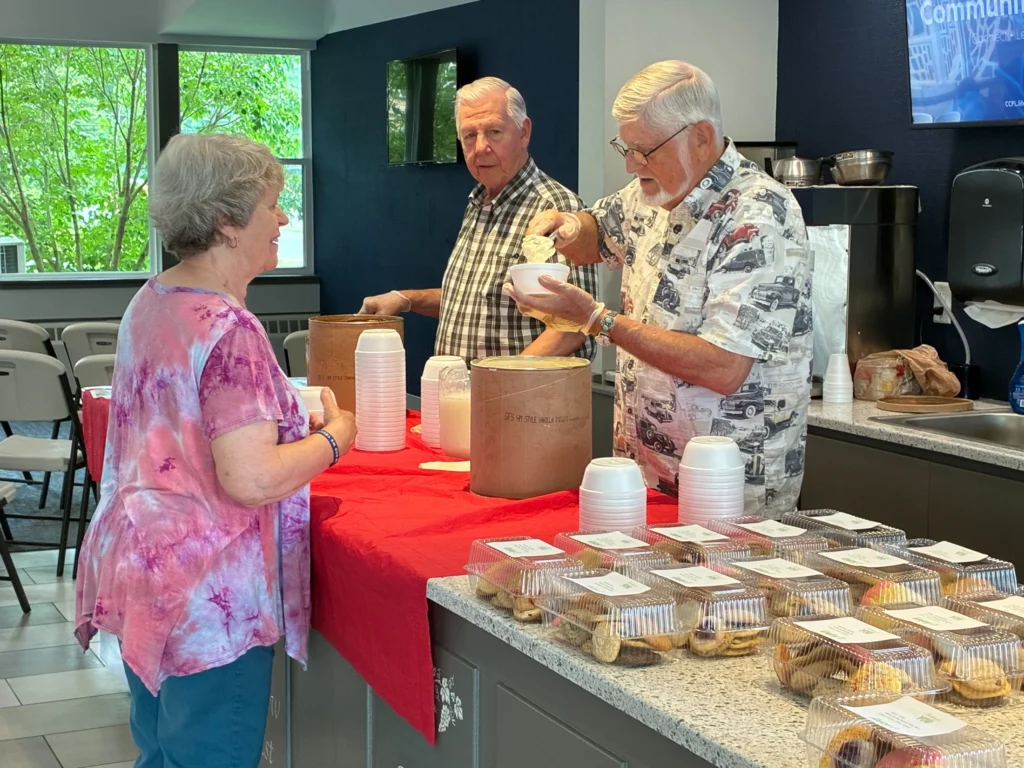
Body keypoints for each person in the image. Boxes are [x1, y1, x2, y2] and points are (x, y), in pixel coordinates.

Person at [74, 134, 357, 767]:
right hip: (208, 592)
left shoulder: (153, 299)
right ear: (228, 222)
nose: (283, 219)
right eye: (272, 205)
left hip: (148, 569)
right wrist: (337, 437)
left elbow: (181, 416)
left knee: (161, 750)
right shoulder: (230, 329)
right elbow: (252, 479)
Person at [513, 61, 813, 516]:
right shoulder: (648, 192)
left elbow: (724, 367)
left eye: (644, 150)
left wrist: (598, 321)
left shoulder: (758, 215)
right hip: (643, 477)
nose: (631, 164)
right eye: (625, 148)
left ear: (702, 138)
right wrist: (568, 225)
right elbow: (599, 231)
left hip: (726, 496)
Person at [359, 77, 597, 362]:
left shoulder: (556, 209)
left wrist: (499, 380)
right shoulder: (478, 203)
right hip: (460, 387)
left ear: (524, 132)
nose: (481, 147)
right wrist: (404, 299)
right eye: (469, 135)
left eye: (494, 132)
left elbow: (574, 325)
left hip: (519, 390)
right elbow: (472, 302)